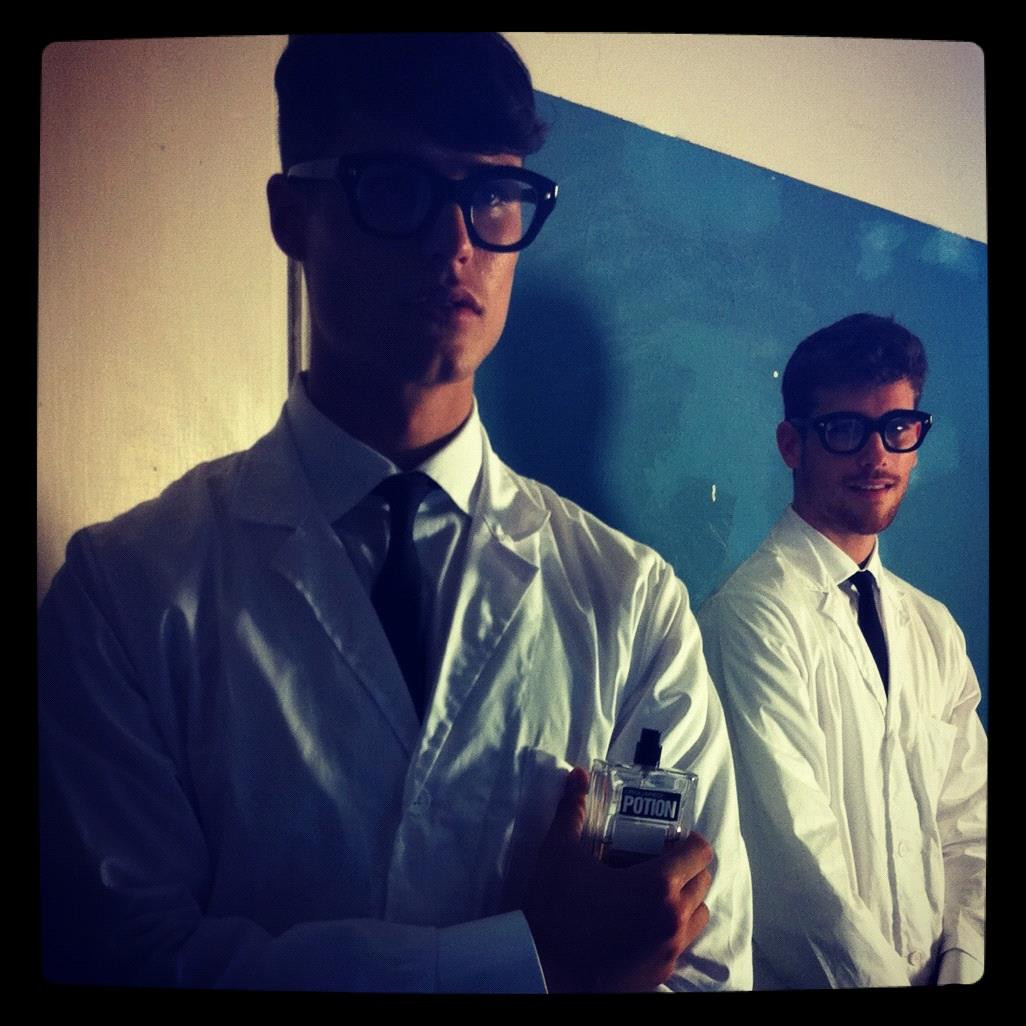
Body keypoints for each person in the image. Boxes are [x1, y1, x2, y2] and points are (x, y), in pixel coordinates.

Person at [38, 34, 753, 993]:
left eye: (493, 193)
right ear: (293, 216)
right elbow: (118, 959)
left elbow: (703, 964)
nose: (455, 242)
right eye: (396, 186)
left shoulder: (633, 606)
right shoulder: (126, 593)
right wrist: (536, 965)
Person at [698, 313, 986, 988]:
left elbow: (971, 830)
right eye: (845, 429)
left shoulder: (935, 629)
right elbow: (798, 879)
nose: (877, 456)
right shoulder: (750, 618)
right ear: (792, 444)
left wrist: (963, 968)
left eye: (898, 428)